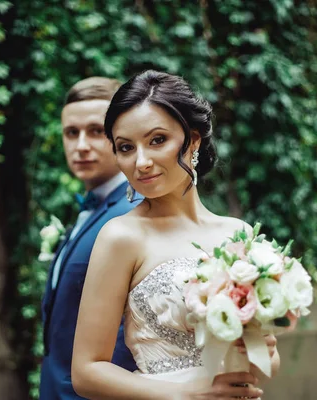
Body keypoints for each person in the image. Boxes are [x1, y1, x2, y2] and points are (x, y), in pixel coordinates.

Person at [71, 70, 280, 399]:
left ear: (193, 139)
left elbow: (264, 367)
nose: (141, 162)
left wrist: (263, 347)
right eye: (126, 147)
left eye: (157, 140)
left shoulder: (239, 234)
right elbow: (86, 372)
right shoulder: (121, 237)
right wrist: (182, 396)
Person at [40, 77, 140, 400]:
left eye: (96, 131)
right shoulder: (92, 210)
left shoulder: (134, 215)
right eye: (72, 133)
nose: (81, 145)